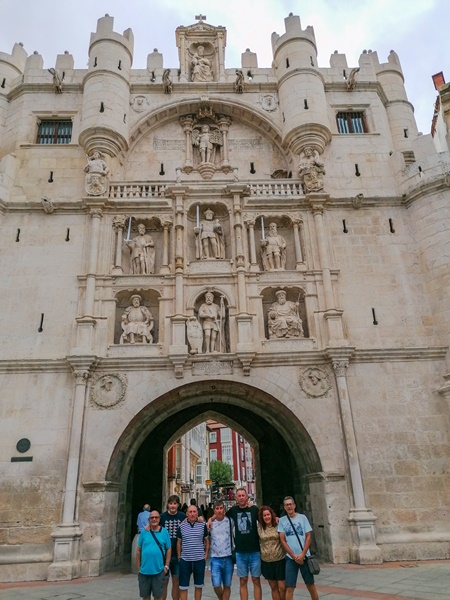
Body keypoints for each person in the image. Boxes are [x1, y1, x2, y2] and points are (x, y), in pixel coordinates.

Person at [278, 497, 319, 600]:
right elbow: (282, 540)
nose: (289, 506)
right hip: (290, 557)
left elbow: (308, 537)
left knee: (310, 585)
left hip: (304, 556)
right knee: (290, 586)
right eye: (286, 505)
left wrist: (302, 554)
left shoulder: (303, 518)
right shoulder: (282, 520)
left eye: (290, 504)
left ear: (294, 505)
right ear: (284, 507)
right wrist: (293, 555)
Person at [224, 488, 261, 600]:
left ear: (246, 497)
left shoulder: (254, 509)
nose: (241, 498)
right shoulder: (233, 511)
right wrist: (211, 519)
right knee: (243, 580)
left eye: (243, 495)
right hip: (240, 552)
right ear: (236, 498)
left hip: (255, 550)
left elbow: (266, 518)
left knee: (256, 580)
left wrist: (276, 518)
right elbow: (220, 515)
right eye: (239, 496)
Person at [136, 510, 172, 600]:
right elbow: (138, 550)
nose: (154, 519)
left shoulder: (164, 532)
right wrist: (138, 568)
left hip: (159, 571)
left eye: (156, 517)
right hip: (144, 571)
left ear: (159, 519)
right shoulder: (144, 532)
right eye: (152, 518)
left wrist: (166, 566)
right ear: (149, 520)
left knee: (158, 596)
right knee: (145, 596)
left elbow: (169, 548)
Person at [177, 505, 210, 600]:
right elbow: (179, 542)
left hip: (199, 560)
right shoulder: (182, 526)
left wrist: (206, 555)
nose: (192, 514)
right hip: (185, 560)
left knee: (198, 586)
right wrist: (179, 557)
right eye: (190, 512)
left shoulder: (202, 525)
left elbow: (207, 540)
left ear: (197, 513)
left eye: (194, 511)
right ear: (187, 514)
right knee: (183, 586)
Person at [160, 495, 186, 600]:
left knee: (176, 581)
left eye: (175, 503)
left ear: (178, 505)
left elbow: (194, 519)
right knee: (163, 581)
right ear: (168, 505)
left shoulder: (182, 516)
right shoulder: (162, 517)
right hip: (164, 555)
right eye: (171, 503)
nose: (173, 506)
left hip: (178, 554)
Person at [257, 506, 285, 600]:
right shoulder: (260, 527)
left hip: (279, 559)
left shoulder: (278, 524)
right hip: (267, 561)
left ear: (272, 515)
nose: (267, 517)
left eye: (268, 514)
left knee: (282, 587)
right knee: (273, 587)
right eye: (264, 515)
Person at [209, 500, 234, 600]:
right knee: (216, 584)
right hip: (215, 558)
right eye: (217, 508)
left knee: (227, 584)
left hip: (228, 556)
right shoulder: (210, 523)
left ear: (224, 509)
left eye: (221, 508)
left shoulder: (230, 521)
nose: (219, 510)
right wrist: (210, 519)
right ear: (214, 510)